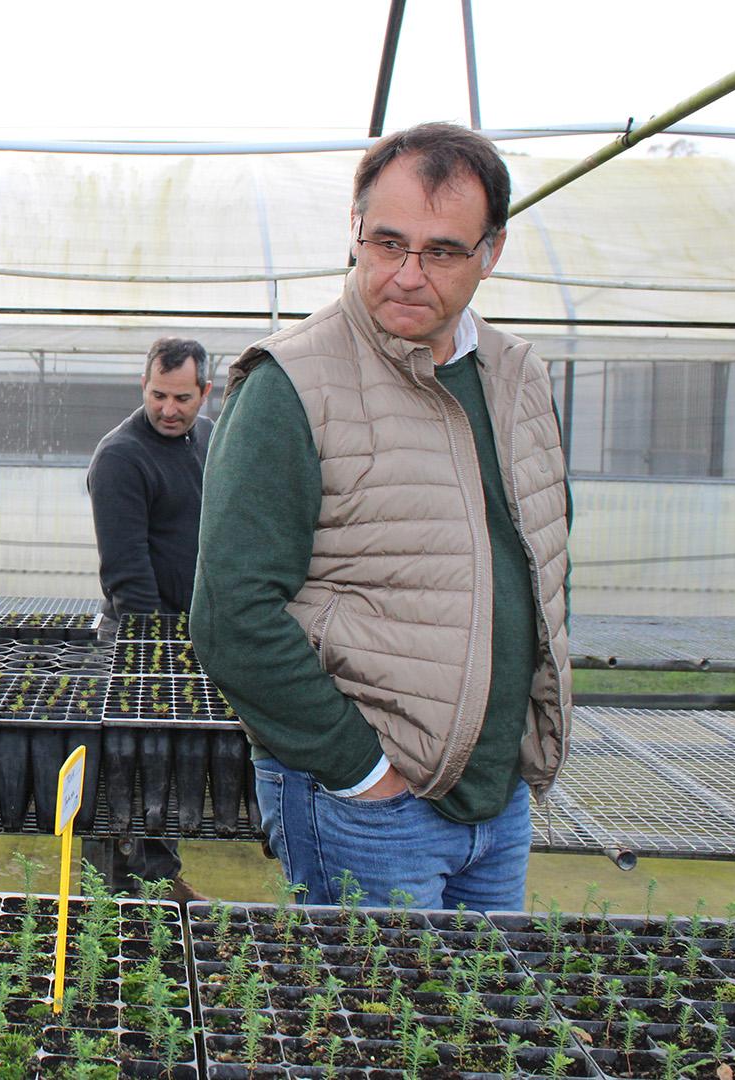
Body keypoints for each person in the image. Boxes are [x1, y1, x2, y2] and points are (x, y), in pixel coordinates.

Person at [192, 123, 572, 911]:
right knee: (373, 1030)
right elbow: (232, 616)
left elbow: (541, 566)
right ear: (355, 235)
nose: (406, 274)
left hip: (498, 797)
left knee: (476, 1029)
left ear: (490, 252)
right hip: (369, 805)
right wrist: (362, 771)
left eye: (441, 251)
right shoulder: (291, 385)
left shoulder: (518, 379)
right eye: (387, 243)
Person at [84, 336, 212, 898]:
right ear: (144, 386)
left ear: (205, 393)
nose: (168, 409)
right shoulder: (120, 457)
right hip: (140, 634)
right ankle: (131, 886)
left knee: (171, 755)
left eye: (182, 397)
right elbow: (127, 573)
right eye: (158, 394)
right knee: (137, 754)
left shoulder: (208, 439)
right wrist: (161, 653)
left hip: (194, 629)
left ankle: (159, 876)